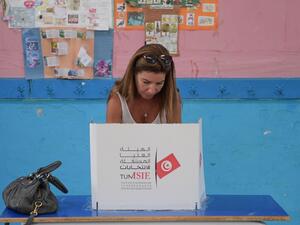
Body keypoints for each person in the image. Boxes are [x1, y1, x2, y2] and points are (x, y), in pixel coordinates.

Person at [106, 43, 181, 123]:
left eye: (159, 83)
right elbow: (111, 135)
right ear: (133, 74)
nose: (151, 90)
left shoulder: (172, 99)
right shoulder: (117, 101)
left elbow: (176, 135)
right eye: (146, 82)